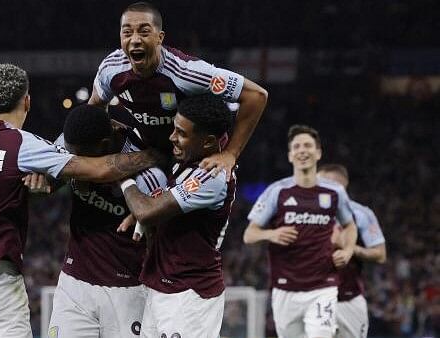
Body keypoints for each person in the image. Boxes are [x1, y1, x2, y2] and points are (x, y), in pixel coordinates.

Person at [0, 64, 162, 338]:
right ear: (27, 101)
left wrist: (46, 181)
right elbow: (97, 169)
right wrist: (155, 155)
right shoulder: (23, 143)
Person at [89, 1, 268, 180]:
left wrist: (230, 154)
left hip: (196, 159)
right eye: (127, 32)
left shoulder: (188, 73)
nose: (135, 40)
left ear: (160, 37)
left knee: (155, 207)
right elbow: (95, 107)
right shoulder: (110, 69)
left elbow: (256, 96)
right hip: (151, 152)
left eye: (144, 32)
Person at [117, 94, 237, 338]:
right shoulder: (183, 163)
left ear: (208, 142)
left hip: (190, 295)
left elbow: (146, 211)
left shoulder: (212, 175)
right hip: (162, 286)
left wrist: (123, 177)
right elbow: (155, 209)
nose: (172, 137)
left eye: (181, 133)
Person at [47, 104, 167, 338]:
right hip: (75, 283)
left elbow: (159, 241)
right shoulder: (68, 143)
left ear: (103, 145)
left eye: (80, 155)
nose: (74, 161)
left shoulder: (149, 177)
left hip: (129, 291)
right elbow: (48, 179)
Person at [243, 125, 358, 338]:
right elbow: (249, 234)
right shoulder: (277, 192)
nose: (302, 150)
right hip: (285, 289)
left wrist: (349, 250)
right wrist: (272, 234)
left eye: (307, 145)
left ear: (318, 153)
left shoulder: (335, 192)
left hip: (323, 286)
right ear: (290, 155)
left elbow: (350, 225)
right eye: (296, 146)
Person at [318, 164, 387, 338]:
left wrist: (349, 247)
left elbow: (380, 254)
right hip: (314, 299)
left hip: (347, 300)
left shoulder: (361, 214)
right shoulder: (306, 213)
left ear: (339, 186)